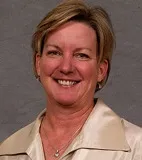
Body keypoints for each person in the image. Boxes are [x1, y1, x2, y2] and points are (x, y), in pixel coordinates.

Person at [0, 0, 142, 160]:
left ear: (101, 70)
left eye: (81, 55)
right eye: (55, 52)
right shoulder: (8, 151)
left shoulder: (136, 148)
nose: (66, 67)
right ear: (38, 63)